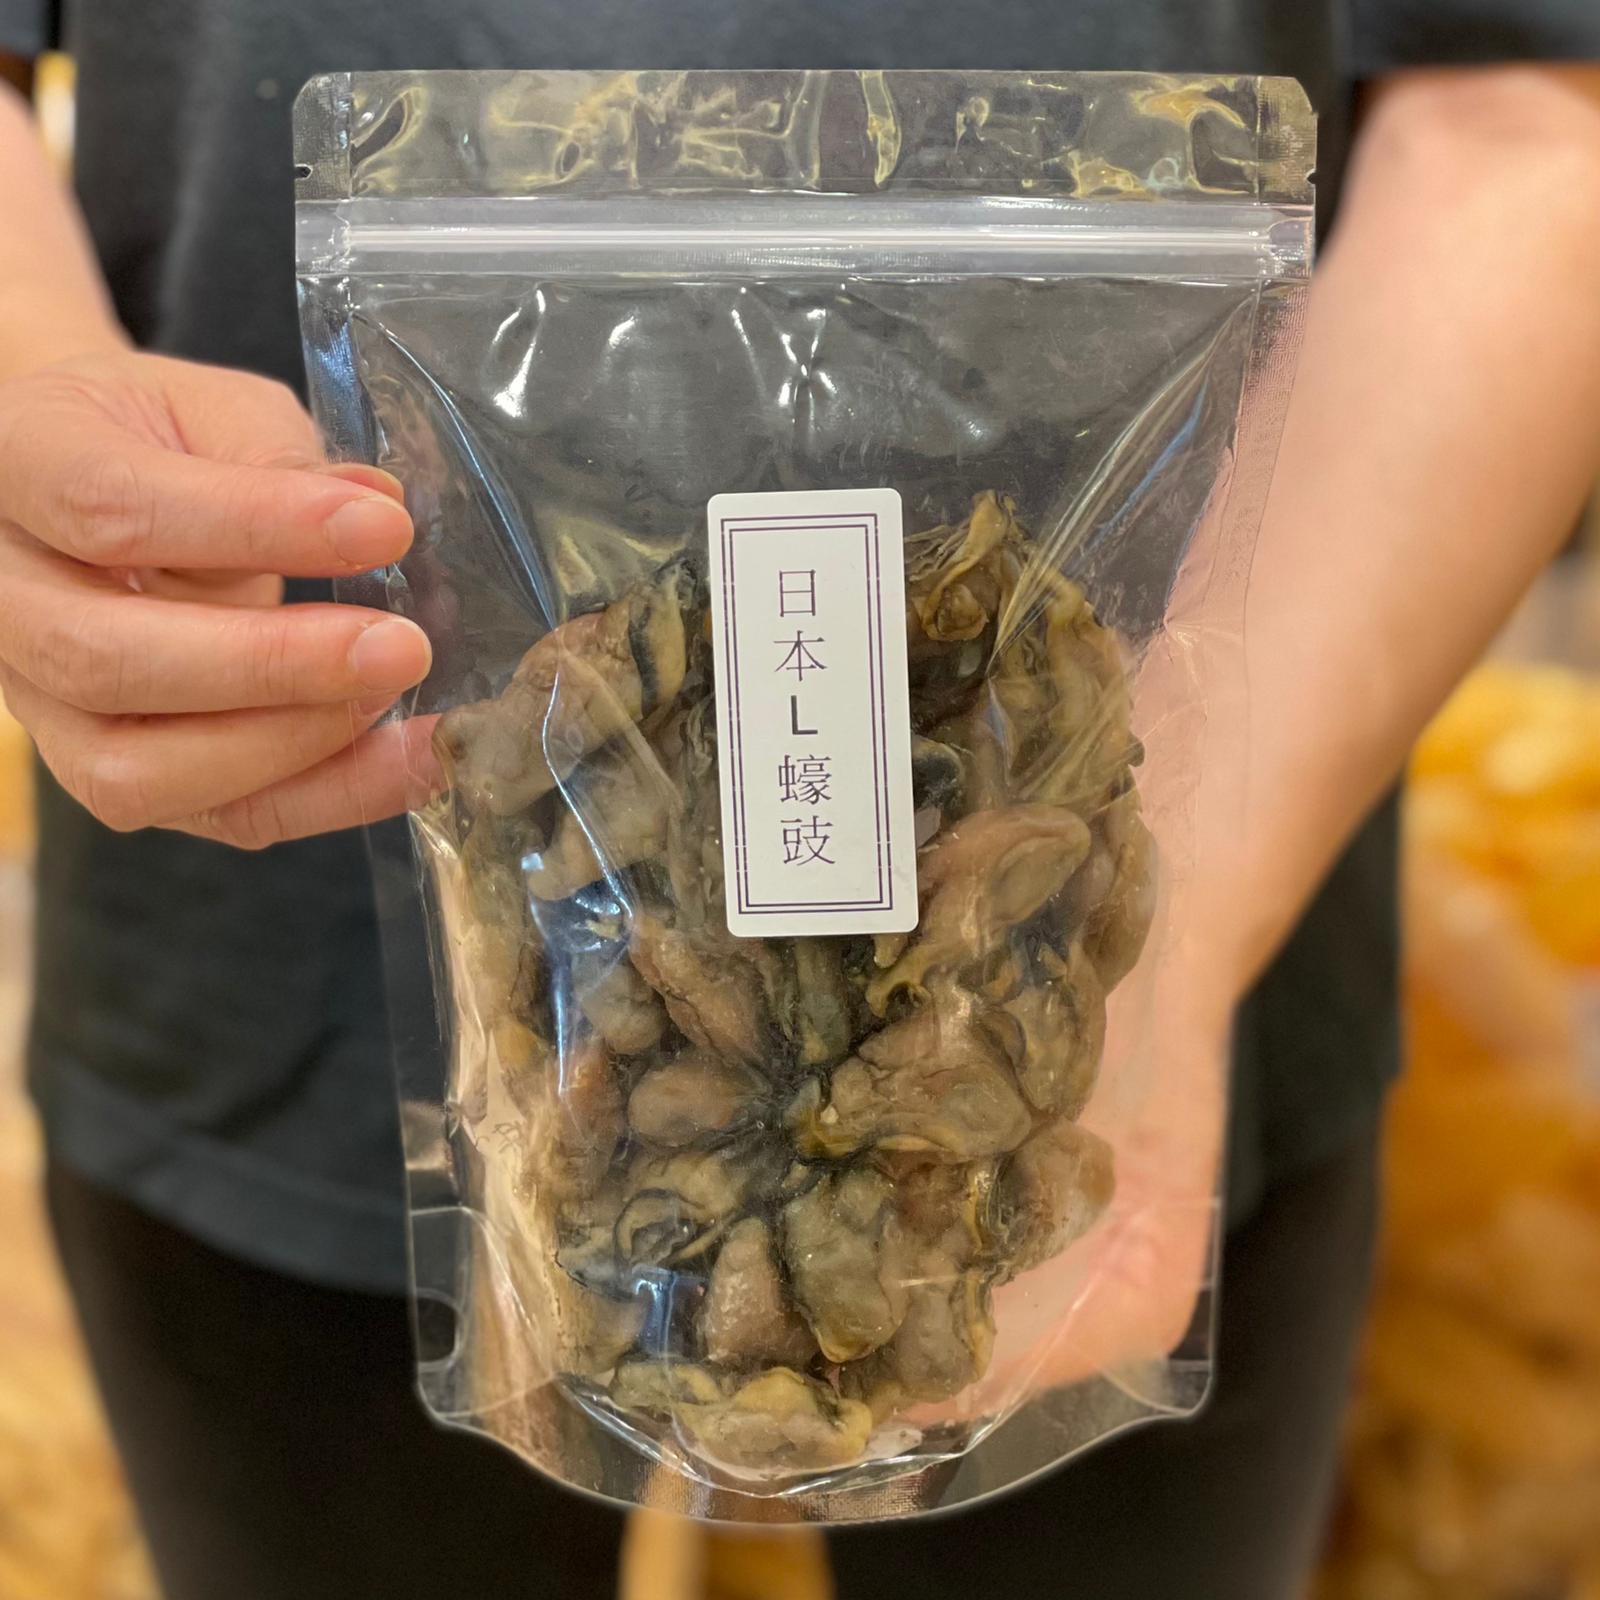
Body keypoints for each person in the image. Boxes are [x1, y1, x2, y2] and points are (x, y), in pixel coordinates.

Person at [0, 5, 1597, 1598]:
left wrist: (1157, 991)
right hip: (264, 928)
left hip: (1199, 927)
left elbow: (1532, 114)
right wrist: (41, 402)